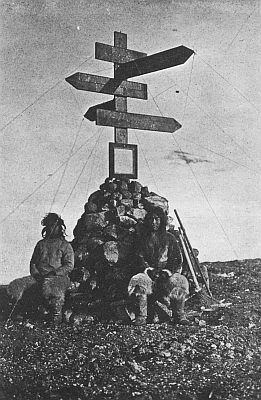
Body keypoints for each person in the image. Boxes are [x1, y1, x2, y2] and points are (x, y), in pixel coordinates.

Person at [127, 207, 191, 326]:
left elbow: (176, 259)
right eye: (151, 219)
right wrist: (147, 269)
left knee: (180, 281)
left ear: (162, 221)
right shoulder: (141, 238)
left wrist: (167, 271)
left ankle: (179, 315)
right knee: (138, 280)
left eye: (157, 219)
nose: (154, 222)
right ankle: (141, 316)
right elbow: (137, 257)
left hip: (165, 277)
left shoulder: (169, 238)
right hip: (148, 275)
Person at [30, 213, 74, 324]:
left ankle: (56, 319)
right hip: (40, 277)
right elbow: (33, 263)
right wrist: (36, 274)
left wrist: (55, 273)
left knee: (55, 295)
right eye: (49, 226)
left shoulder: (65, 245)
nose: (51, 228)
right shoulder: (40, 245)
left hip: (58, 278)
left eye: (54, 226)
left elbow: (69, 265)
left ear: (60, 227)